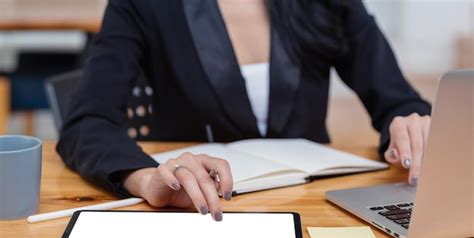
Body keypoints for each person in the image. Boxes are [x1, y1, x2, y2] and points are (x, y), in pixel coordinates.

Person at [57, 0, 431, 221]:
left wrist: (410, 124)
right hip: (197, 214)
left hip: (314, 210)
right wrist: (147, 180)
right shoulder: (144, 5)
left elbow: (399, 100)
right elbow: (86, 122)